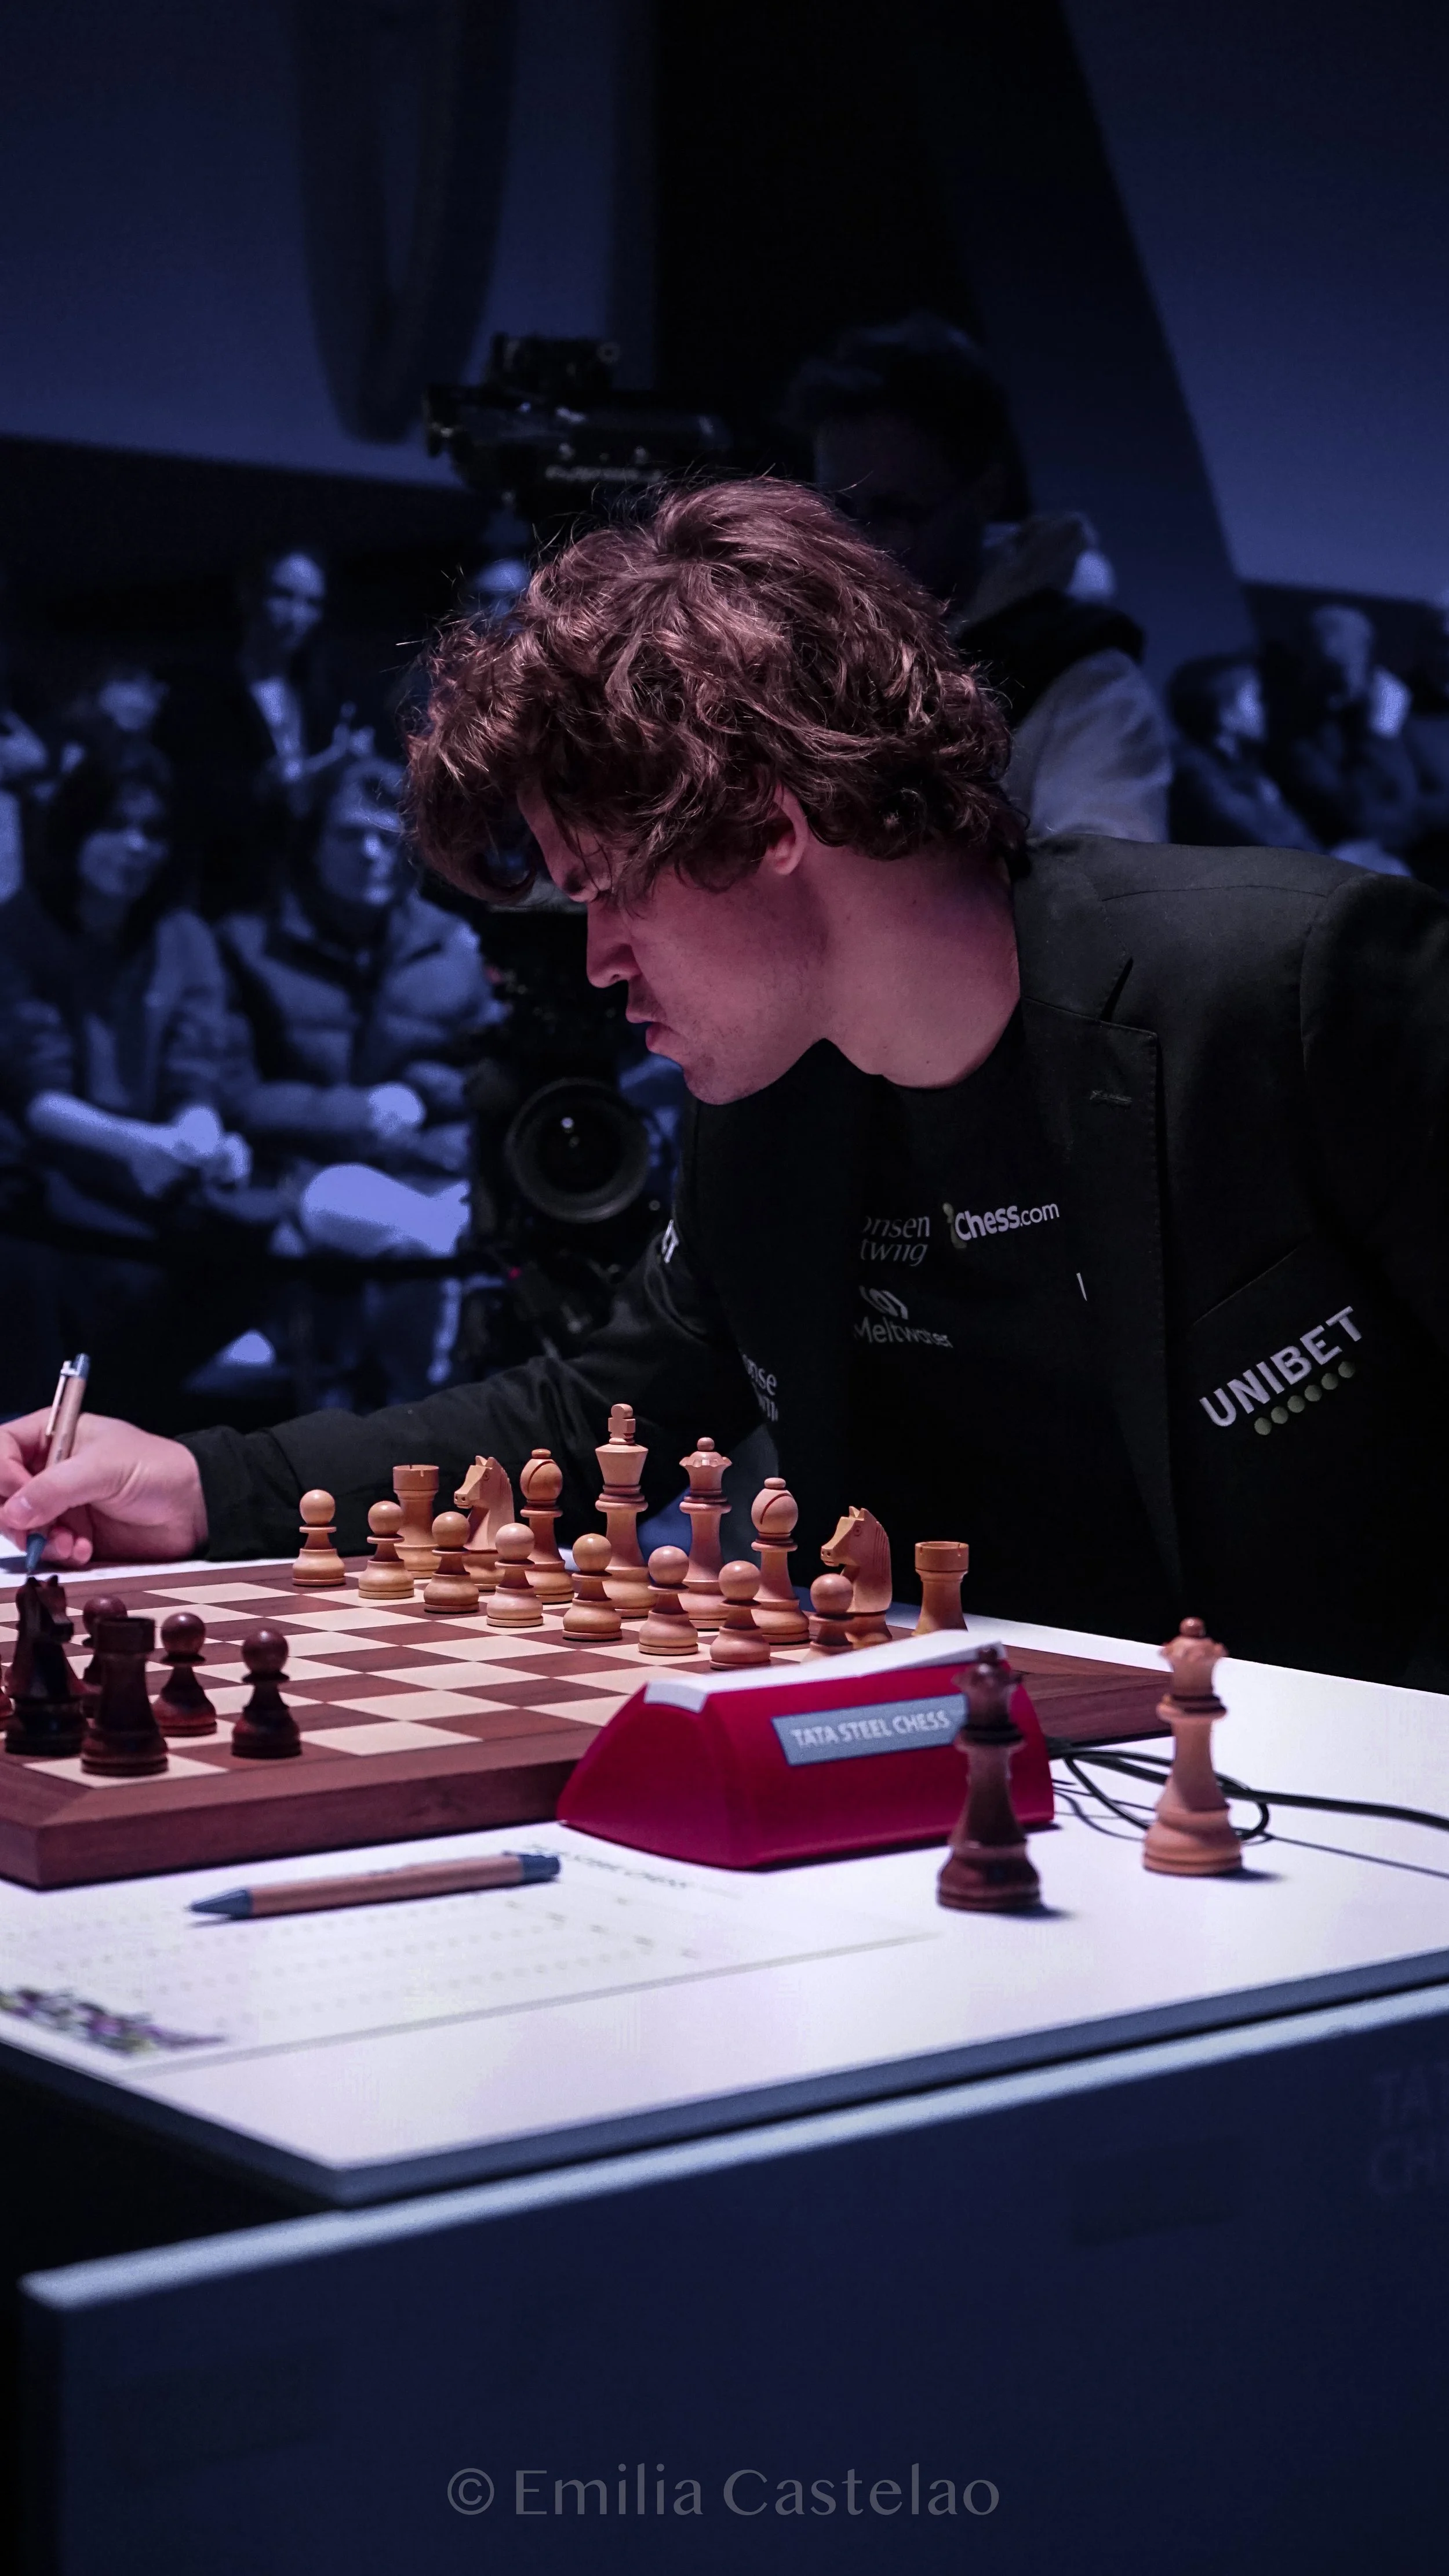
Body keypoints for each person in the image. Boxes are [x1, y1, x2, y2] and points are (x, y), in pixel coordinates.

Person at [3, 481, 1448, 1687]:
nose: (600, 960)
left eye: (610, 889)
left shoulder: (1305, 984)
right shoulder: (775, 1114)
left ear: (764, 817)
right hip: (994, 1817)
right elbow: (583, 1416)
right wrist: (200, 1483)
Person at [784, 313, 1172, 845]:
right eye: (840, 509)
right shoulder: (795, 635)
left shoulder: (1083, 683)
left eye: (896, 511)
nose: (860, 545)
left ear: (986, 491)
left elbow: (1103, 904)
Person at [217, 753, 494, 1401]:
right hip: (310, 1175)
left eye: (388, 838)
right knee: (424, 1241)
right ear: (312, 842)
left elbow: (489, 1074)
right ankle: (425, 1410)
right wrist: (360, 1113)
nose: (372, 854)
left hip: (437, 1167)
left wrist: (420, 1099)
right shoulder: (247, 944)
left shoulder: (450, 942)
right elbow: (233, 1093)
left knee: (470, 1228)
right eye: (350, 835)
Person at [0, 747, 259, 1420]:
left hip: (156, 1177)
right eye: (116, 826)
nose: (136, 847)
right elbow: (35, 1094)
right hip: (50, 1179)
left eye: (153, 832)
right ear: (75, 832)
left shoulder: (185, 934)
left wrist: (198, 1136)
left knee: (260, 1251)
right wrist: (139, 1145)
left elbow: (196, 1071)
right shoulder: (19, 929)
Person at [1269, 604, 1419, 875]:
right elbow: (1361, 816)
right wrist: (1380, 736)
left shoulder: (1395, 705)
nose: (1333, 696)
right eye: (1323, 676)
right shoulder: (1297, 734)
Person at [1167, 654, 1319, 851]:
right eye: (1255, 697)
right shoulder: (1201, 779)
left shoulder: (1243, 763)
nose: (1263, 706)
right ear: (1225, 715)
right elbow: (1283, 845)